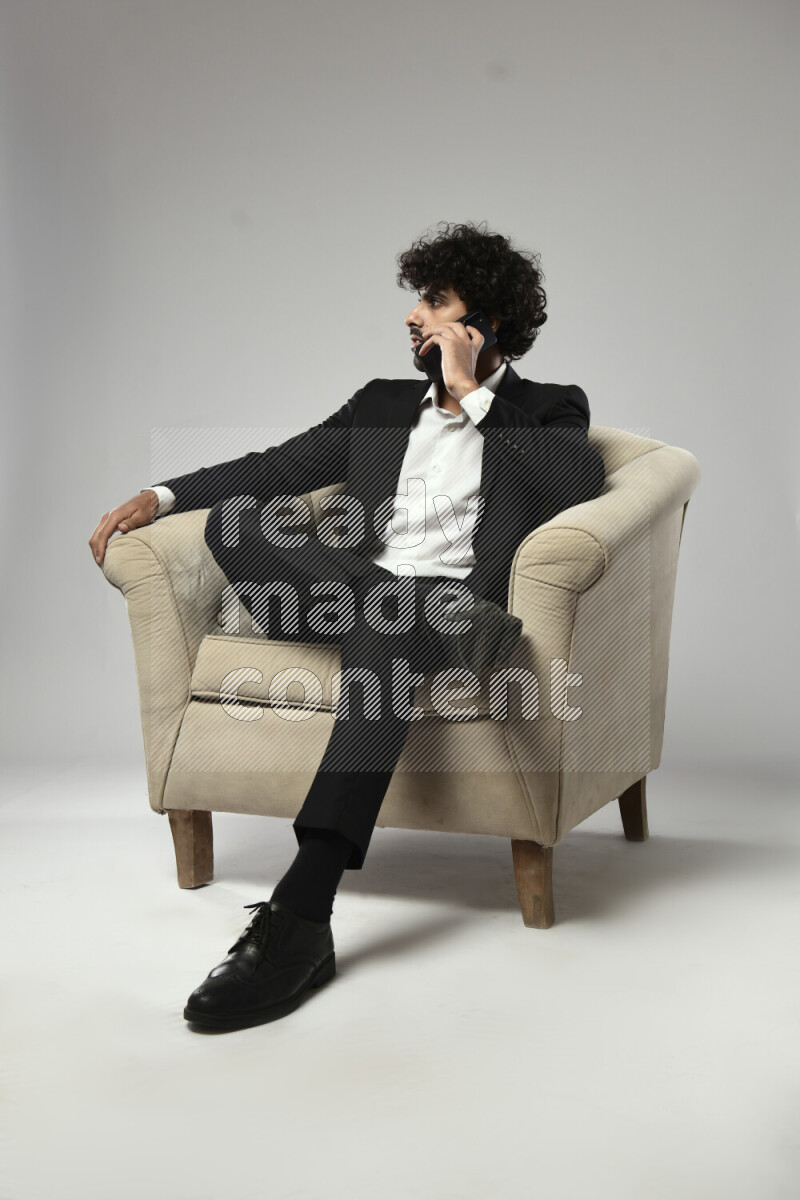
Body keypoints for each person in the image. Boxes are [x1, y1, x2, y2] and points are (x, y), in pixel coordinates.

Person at [89, 220, 605, 1031]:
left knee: (388, 623)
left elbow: (574, 484)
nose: (412, 316)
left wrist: (472, 394)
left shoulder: (545, 409)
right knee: (239, 520)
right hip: (345, 599)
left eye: (434, 301)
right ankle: (413, 605)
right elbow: (275, 467)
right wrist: (159, 496)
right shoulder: (382, 403)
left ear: (486, 320)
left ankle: (302, 913)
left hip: (417, 621)